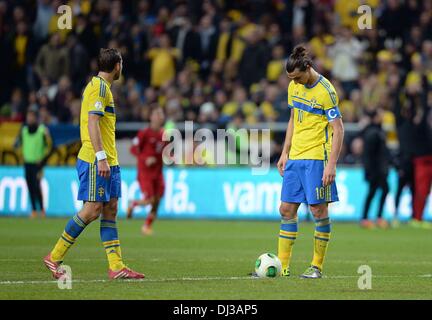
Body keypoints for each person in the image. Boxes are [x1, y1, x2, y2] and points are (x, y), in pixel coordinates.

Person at [43, 48, 144, 280]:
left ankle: (116, 266)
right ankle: (54, 257)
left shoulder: (101, 87)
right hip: (95, 159)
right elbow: (92, 123)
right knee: (92, 210)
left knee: (110, 209)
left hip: (109, 159)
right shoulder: (99, 88)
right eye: (122, 64)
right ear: (117, 65)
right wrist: (100, 157)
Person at [272, 45, 344, 279]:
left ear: (308, 68)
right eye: (291, 78)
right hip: (296, 157)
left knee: (317, 209)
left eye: (297, 77)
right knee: (286, 209)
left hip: (316, 157)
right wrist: (285, 152)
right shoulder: (294, 87)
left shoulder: (326, 91)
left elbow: (338, 129)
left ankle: (316, 267)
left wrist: (331, 164)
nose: (295, 82)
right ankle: (282, 267)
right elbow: (293, 119)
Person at [127, 105, 166, 235]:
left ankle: (147, 226)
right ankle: (133, 204)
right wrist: (145, 159)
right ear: (151, 117)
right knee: (150, 200)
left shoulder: (164, 134)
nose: (159, 116)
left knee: (158, 200)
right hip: (145, 173)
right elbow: (133, 149)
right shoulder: (144, 133)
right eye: (157, 114)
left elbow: (165, 153)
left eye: (161, 114)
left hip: (158, 172)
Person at [15, 106, 52, 218]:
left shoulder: (42, 130)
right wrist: (21, 153)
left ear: (36, 118)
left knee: (37, 186)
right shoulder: (24, 130)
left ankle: (41, 209)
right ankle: (34, 210)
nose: (29, 118)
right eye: (28, 116)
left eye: (32, 116)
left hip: (38, 164)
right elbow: (17, 144)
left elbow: (49, 146)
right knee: (30, 186)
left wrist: (43, 160)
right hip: (27, 163)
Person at [360, 109, 390, 229]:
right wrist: (370, 171)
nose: (382, 116)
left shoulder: (377, 131)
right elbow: (369, 155)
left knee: (376, 192)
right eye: (380, 115)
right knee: (377, 191)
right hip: (376, 170)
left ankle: (369, 218)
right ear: (375, 117)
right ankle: (371, 218)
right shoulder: (373, 133)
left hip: (379, 169)